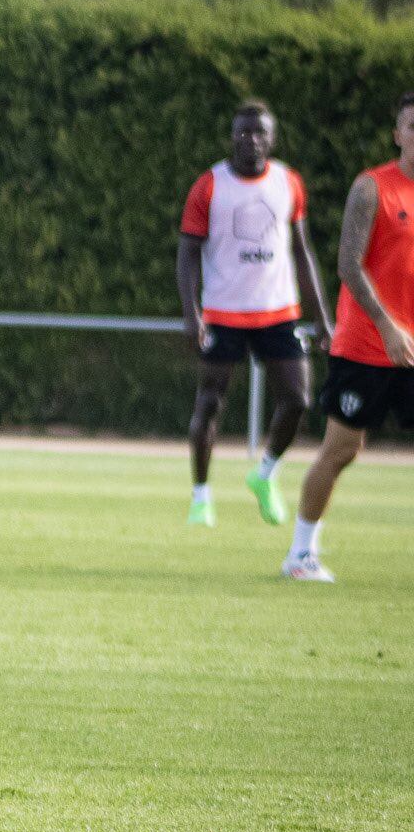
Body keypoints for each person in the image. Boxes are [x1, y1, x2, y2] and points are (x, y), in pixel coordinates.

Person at [176, 100, 329, 527]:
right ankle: (201, 497)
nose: (252, 139)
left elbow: (302, 252)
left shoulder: (288, 182)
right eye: (243, 132)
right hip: (224, 314)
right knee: (210, 403)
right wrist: (193, 315)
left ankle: (264, 475)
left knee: (298, 399)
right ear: (232, 136)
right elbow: (187, 253)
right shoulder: (209, 185)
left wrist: (323, 320)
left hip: (278, 312)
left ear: (273, 138)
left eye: (260, 132)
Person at [283, 92, 414, 582]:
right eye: (411, 126)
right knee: (342, 449)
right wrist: (388, 326)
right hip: (367, 345)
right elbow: (348, 266)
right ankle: (300, 554)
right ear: (398, 134)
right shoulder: (372, 188)